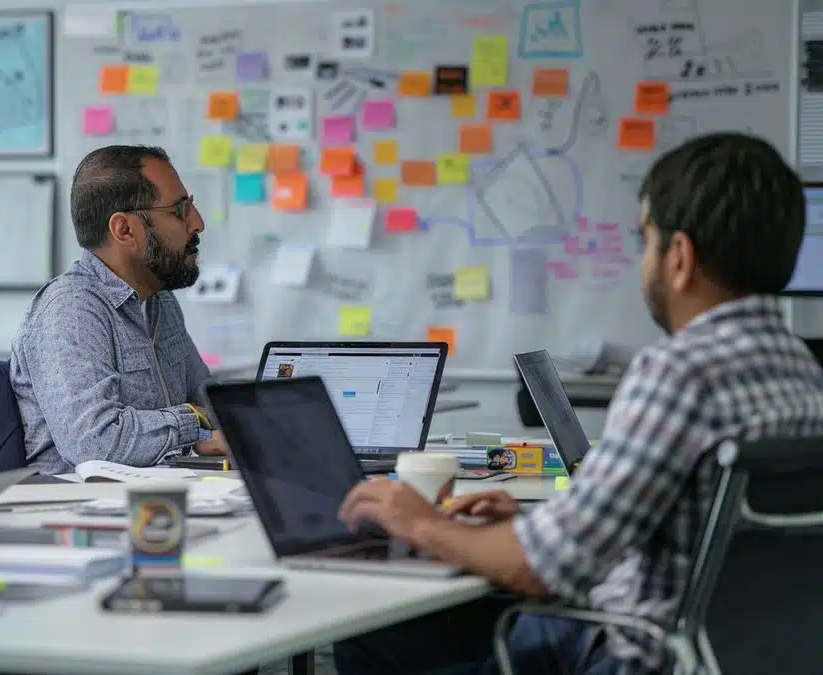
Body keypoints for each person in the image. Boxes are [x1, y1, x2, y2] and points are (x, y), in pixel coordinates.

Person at [332, 132, 823, 674]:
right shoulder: (801, 371)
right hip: (739, 656)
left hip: (634, 658)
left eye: (646, 241)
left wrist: (419, 522)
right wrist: (541, 520)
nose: (644, 265)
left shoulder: (680, 372)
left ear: (679, 257)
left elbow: (545, 570)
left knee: (370, 638)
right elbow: (693, 541)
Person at [11, 145, 223, 475]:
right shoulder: (72, 309)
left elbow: (206, 400)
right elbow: (94, 442)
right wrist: (193, 423)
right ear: (124, 230)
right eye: (179, 210)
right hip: (83, 509)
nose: (197, 223)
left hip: (159, 495)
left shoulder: (158, 299)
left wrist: (251, 415)